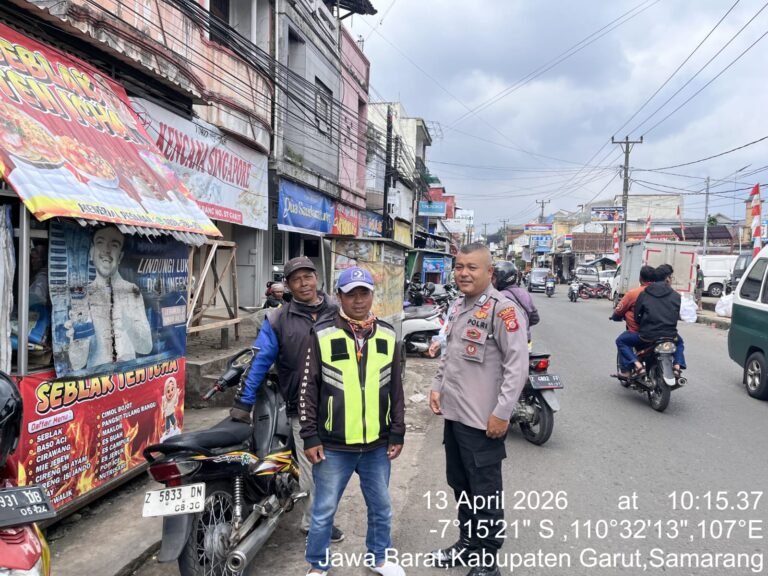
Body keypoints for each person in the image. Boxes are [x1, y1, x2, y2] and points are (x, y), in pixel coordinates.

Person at [428, 244, 529, 576]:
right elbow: (450, 353)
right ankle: (467, 544)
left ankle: (487, 558)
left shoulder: (504, 310)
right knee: (460, 484)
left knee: (485, 492)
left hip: (483, 421)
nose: (463, 273)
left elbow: (518, 366)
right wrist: (437, 386)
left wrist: (502, 412)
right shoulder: (458, 305)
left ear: (490, 273)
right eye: (459, 267)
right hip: (455, 416)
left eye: (472, 267)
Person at [300, 267, 405, 576]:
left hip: (377, 444)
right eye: (351, 294)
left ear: (372, 295)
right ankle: (318, 565)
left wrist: (397, 433)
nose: (359, 301)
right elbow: (308, 389)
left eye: (364, 293)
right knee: (323, 511)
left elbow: (396, 389)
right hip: (333, 445)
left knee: (381, 508)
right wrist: (310, 436)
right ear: (339, 297)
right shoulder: (321, 333)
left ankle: (379, 558)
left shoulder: (387, 334)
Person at [230, 256, 344, 542]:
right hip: (302, 404)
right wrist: (244, 402)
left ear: (317, 278)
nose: (304, 283)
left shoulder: (338, 310)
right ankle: (313, 523)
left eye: (308, 276)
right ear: (289, 286)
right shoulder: (278, 318)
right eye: (296, 279)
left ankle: (319, 514)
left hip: (341, 401)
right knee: (314, 466)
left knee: (336, 465)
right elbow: (259, 360)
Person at [67, 226, 152, 370]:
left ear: (120, 256)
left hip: (128, 377)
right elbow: (76, 364)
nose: (107, 250)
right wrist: (78, 342)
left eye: (114, 245)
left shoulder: (132, 291)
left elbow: (146, 347)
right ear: (92, 252)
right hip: (98, 383)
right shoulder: (82, 295)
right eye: (100, 242)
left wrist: (128, 324)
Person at [634, 264, 686, 376]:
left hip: (647, 336)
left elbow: (637, 315)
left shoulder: (644, 294)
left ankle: (637, 366)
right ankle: (677, 366)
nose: (671, 280)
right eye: (671, 277)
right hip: (670, 335)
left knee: (622, 340)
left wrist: (641, 324)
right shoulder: (676, 296)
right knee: (679, 343)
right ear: (667, 278)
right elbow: (676, 315)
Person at [612, 265, 656, 378]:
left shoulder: (633, 293)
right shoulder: (663, 293)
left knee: (621, 341)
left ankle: (631, 368)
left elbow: (619, 311)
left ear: (640, 278)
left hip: (640, 334)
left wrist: (616, 317)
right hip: (662, 333)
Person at [492, 261, 540, 346]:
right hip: (526, 341)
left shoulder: (500, 296)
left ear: (502, 278)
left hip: (508, 343)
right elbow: (535, 318)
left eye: (494, 278)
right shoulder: (524, 293)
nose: (492, 281)